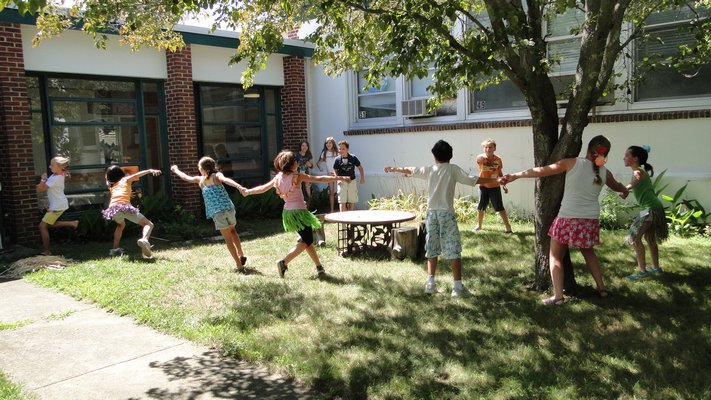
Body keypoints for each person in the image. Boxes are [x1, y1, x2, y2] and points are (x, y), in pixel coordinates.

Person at [502, 135, 628, 305]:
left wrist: (516, 175)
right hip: (589, 220)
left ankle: (558, 297)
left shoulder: (571, 163)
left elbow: (542, 170)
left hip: (567, 218)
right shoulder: (606, 173)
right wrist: (624, 191)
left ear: (589, 149)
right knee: (589, 252)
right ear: (605, 154)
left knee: (555, 257)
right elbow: (618, 186)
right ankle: (602, 289)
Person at [384, 140, 499, 297]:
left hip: (431, 214)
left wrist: (394, 169)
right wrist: (495, 180)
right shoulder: (453, 169)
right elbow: (473, 180)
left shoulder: (430, 169)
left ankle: (430, 284)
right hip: (446, 213)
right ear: (450, 156)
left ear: (434, 156)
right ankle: (457, 288)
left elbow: (411, 170)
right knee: (453, 247)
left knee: (431, 246)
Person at [240, 150, 350, 278]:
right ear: (292, 164)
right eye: (296, 161)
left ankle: (319, 267)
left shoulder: (278, 178)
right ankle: (284, 262)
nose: (297, 163)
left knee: (306, 240)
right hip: (299, 214)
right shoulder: (297, 176)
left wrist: (248, 191)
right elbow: (319, 179)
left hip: (289, 214)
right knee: (307, 240)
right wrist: (339, 177)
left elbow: (262, 188)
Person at [171, 157, 249, 273]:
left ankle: (239, 265)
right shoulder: (216, 176)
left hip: (218, 213)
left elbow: (186, 178)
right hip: (229, 209)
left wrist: (175, 170)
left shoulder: (201, 180)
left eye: (199, 168)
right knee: (233, 231)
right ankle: (241, 253)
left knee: (228, 239)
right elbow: (226, 180)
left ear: (202, 169)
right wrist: (239, 187)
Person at [621, 145, 668, 281]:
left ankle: (642, 271)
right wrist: (626, 190)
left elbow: (635, 181)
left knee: (635, 238)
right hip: (653, 208)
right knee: (650, 238)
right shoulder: (639, 170)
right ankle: (656, 268)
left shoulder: (638, 171)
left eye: (626, 155)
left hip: (650, 209)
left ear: (635, 158)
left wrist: (624, 189)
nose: (623, 158)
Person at [102, 165, 162, 257]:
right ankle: (144, 240)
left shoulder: (112, 186)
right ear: (121, 174)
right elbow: (137, 175)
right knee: (148, 224)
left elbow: (108, 180)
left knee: (120, 225)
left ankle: (115, 249)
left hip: (113, 209)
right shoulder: (125, 179)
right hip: (124, 207)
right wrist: (150, 170)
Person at [36, 156, 79, 256]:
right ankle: (72, 223)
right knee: (47, 225)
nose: (50, 166)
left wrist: (42, 180)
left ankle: (47, 251)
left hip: (57, 206)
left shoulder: (55, 178)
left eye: (52, 165)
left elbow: (41, 189)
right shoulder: (58, 174)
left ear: (60, 167)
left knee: (42, 226)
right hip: (58, 204)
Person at [473, 138, 513, 233]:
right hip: (483, 186)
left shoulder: (498, 159)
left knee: (499, 207)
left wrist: (504, 184)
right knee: (481, 206)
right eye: (485, 147)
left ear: (494, 148)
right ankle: (479, 225)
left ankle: (508, 227)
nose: (488, 149)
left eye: (490, 147)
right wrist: (482, 158)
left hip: (495, 187)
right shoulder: (481, 158)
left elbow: (499, 172)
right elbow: (478, 159)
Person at [333, 140, 365, 211]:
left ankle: (349, 218)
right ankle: (343, 219)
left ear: (347, 149)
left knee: (351, 201)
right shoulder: (337, 159)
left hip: (351, 181)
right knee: (342, 201)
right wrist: (337, 179)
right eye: (340, 149)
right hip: (342, 181)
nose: (341, 150)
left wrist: (362, 178)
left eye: (343, 148)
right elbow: (335, 170)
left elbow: (360, 167)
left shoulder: (353, 158)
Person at [316, 136, 339, 212]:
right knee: (331, 192)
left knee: (340, 191)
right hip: (329, 175)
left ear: (333, 144)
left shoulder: (337, 152)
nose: (328, 144)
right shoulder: (324, 153)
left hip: (338, 174)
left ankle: (342, 209)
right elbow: (318, 162)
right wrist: (320, 168)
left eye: (330, 142)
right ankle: (332, 210)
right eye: (326, 143)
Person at [295, 141, 314, 205]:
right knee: (299, 188)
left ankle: (309, 203)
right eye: (303, 145)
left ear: (307, 147)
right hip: (297, 174)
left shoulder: (308, 154)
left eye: (306, 146)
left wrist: (309, 164)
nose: (304, 147)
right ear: (300, 147)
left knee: (307, 187)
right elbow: (293, 166)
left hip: (305, 173)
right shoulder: (296, 155)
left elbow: (312, 166)